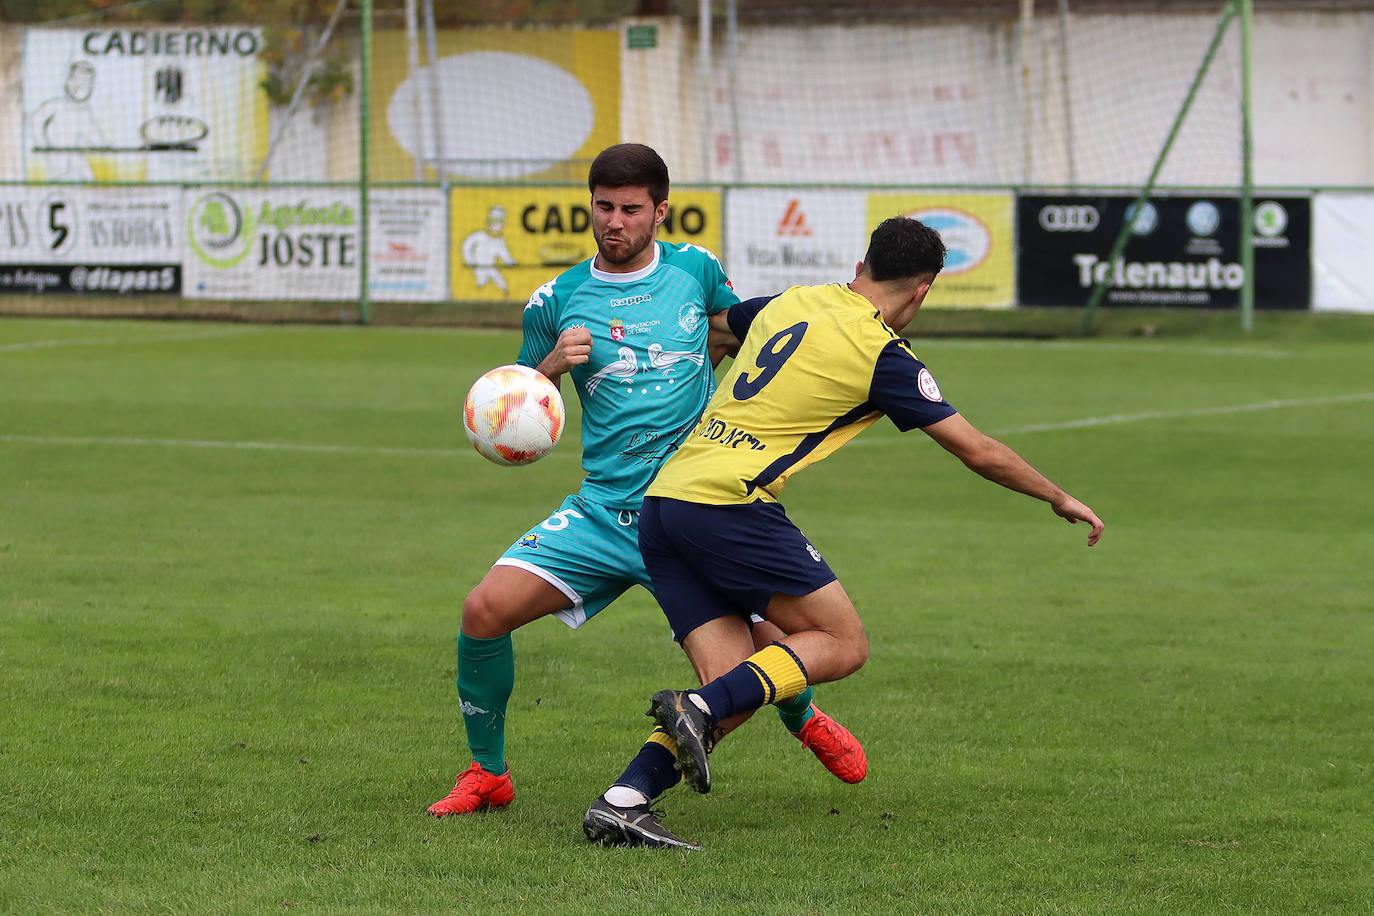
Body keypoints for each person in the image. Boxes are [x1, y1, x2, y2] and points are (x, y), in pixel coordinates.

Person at [582, 216, 1104, 849]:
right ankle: (693, 711)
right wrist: (1057, 495)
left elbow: (718, 328)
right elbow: (978, 450)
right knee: (841, 641)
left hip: (667, 501)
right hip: (731, 505)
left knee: (736, 685)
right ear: (922, 289)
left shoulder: (796, 300)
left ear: (863, 265)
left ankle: (622, 801)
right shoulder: (884, 355)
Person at [428, 144, 866, 817]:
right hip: (604, 511)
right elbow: (515, 407)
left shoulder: (696, 270)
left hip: (692, 510)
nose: (615, 221)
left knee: (744, 669)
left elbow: (733, 334)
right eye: (604, 207)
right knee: (482, 611)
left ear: (660, 210)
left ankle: (802, 717)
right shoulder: (557, 300)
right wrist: (548, 366)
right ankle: (488, 773)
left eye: (631, 209)